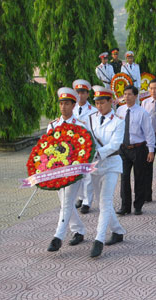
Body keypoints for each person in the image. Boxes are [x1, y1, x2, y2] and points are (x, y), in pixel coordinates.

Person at [46, 87, 86, 252]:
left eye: (67, 104)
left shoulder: (81, 125)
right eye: (61, 103)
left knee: (68, 201)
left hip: (73, 171)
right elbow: (46, 148)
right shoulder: (53, 125)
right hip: (57, 171)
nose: (63, 107)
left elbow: (86, 148)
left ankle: (58, 237)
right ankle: (79, 230)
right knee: (65, 202)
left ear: (73, 105)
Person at [88, 85, 126, 257]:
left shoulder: (119, 121)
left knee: (104, 201)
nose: (99, 106)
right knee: (102, 202)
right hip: (95, 167)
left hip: (111, 165)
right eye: (96, 103)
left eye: (102, 103)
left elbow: (115, 145)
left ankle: (99, 240)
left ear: (111, 101)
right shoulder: (91, 119)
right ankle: (118, 231)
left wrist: (97, 153)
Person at [116, 85, 155, 215]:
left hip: (138, 148)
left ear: (135, 96)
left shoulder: (142, 112)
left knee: (139, 177)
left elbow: (149, 132)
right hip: (124, 149)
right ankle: (125, 206)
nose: (126, 97)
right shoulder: (120, 111)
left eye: (129, 94)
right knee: (124, 177)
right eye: (125, 94)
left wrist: (151, 150)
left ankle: (138, 205)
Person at [72, 79, 98, 214]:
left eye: (83, 92)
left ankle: (87, 202)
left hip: (88, 146)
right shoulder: (72, 108)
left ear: (88, 94)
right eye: (78, 92)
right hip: (74, 147)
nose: (80, 95)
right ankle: (81, 197)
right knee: (78, 174)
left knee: (88, 175)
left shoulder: (93, 110)